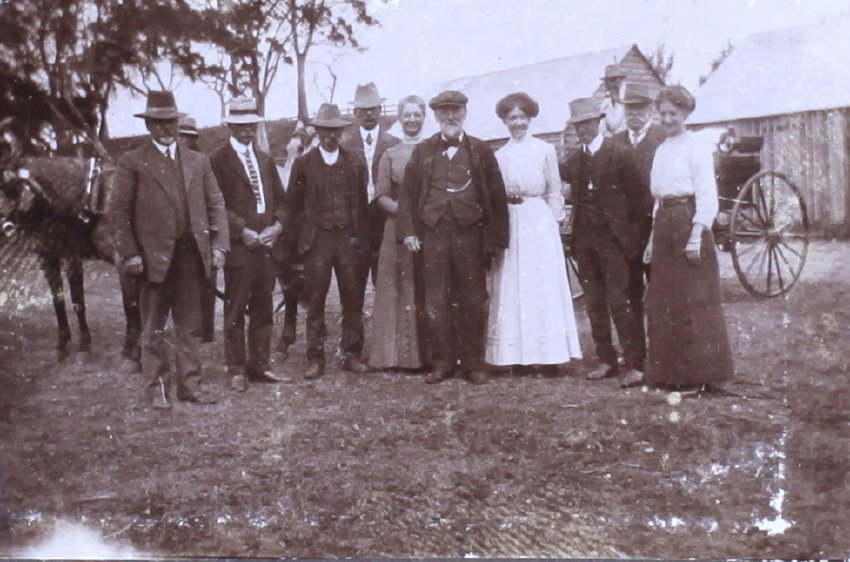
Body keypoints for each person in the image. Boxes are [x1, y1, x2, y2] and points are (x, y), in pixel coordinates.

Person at [110, 90, 229, 410]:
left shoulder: (198, 161)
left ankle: (191, 386)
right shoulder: (133, 162)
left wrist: (219, 246)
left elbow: (216, 204)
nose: (166, 128)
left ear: (177, 124)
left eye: (171, 122)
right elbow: (119, 212)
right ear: (148, 125)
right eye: (158, 122)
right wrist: (131, 253)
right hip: (152, 260)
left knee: (191, 325)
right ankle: (158, 389)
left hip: (191, 257)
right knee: (153, 326)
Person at [397, 90, 509, 385]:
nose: (450, 117)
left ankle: (473, 363)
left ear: (464, 114)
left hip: (470, 235)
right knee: (435, 299)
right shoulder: (423, 151)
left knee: (473, 299)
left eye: (455, 111)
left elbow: (497, 196)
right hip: (432, 235)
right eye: (444, 112)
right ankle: (442, 362)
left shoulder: (481, 150)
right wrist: (409, 231)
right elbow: (407, 194)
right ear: (435, 116)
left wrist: (497, 239)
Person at [642, 85, 733, 389]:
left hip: (687, 221)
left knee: (691, 300)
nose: (668, 119)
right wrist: (652, 240)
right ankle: (670, 375)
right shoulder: (661, 149)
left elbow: (707, 196)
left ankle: (699, 375)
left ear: (685, 113)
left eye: (673, 113)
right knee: (664, 300)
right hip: (664, 224)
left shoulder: (696, 146)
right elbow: (658, 200)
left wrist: (696, 235)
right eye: (663, 113)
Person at [486, 92, 582, 371]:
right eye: (512, 118)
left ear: (530, 119)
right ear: (504, 121)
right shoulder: (500, 155)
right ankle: (517, 357)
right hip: (512, 220)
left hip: (538, 221)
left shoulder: (544, 150)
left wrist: (555, 225)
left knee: (541, 284)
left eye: (522, 117)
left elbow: (554, 191)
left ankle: (549, 356)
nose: (517, 123)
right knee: (514, 284)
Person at [559, 97, 645, 387]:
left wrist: (629, 240)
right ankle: (606, 360)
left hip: (614, 242)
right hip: (585, 242)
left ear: (598, 122)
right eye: (578, 125)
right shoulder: (575, 160)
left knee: (620, 301)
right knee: (594, 303)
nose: (583, 129)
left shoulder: (620, 154)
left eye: (587, 123)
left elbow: (638, 201)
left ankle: (635, 364)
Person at [284, 103, 370, 379]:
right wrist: (297, 245)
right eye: (325, 130)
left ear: (342, 132)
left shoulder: (355, 163)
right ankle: (315, 357)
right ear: (317, 132)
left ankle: (351, 353)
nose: (331, 136)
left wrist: (359, 239)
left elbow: (361, 204)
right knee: (316, 299)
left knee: (352, 297)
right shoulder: (303, 164)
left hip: (347, 239)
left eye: (336, 131)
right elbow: (293, 206)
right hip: (318, 240)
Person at [210, 97, 286, 392]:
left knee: (263, 307)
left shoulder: (265, 160)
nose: (247, 131)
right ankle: (237, 369)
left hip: (266, 245)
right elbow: (215, 204)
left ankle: (260, 365)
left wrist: (277, 227)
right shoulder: (218, 161)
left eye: (251, 125)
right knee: (236, 308)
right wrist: (241, 230)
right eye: (241, 126)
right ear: (230, 126)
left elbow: (281, 200)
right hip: (240, 247)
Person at [365, 95, 428, 371]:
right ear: (400, 118)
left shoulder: (432, 149)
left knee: (425, 287)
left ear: (424, 117)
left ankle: (425, 356)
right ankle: (391, 356)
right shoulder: (390, 153)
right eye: (407, 115)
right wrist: (405, 215)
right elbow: (381, 196)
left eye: (417, 115)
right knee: (396, 287)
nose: (412, 120)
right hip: (396, 229)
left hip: (428, 226)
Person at [613, 82, 666, 351]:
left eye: (640, 108)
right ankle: (635, 352)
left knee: (659, 290)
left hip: (656, 227)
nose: (634, 114)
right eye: (629, 109)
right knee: (629, 291)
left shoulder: (663, 139)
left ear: (650, 110)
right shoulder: (614, 142)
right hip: (625, 231)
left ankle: (659, 349)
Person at [340, 82, 400, 287]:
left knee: (384, 279)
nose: (369, 114)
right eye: (363, 110)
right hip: (356, 222)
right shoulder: (345, 145)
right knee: (354, 279)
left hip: (384, 219)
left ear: (380, 110)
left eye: (373, 109)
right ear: (355, 112)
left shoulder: (394, 143)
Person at [178, 116, 217, 344]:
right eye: (180, 137)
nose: (184, 141)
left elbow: (214, 200)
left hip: (202, 234)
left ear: (194, 140)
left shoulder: (203, 163)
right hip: (178, 236)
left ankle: (207, 331)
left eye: (188, 138)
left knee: (207, 284)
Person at [274, 129, 310, 360]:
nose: (293, 157)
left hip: (309, 231)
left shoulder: (312, 166)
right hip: (288, 232)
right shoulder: (284, 172)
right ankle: (289, 330)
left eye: (298, 151)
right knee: (287, 280)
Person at [599, 63, 627, 138]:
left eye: (617, 80)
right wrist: (606, 133)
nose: (615, 84)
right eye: (611, 81)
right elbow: (602, 128)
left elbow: (616, 125)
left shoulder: (627, 102)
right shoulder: (605, 103)